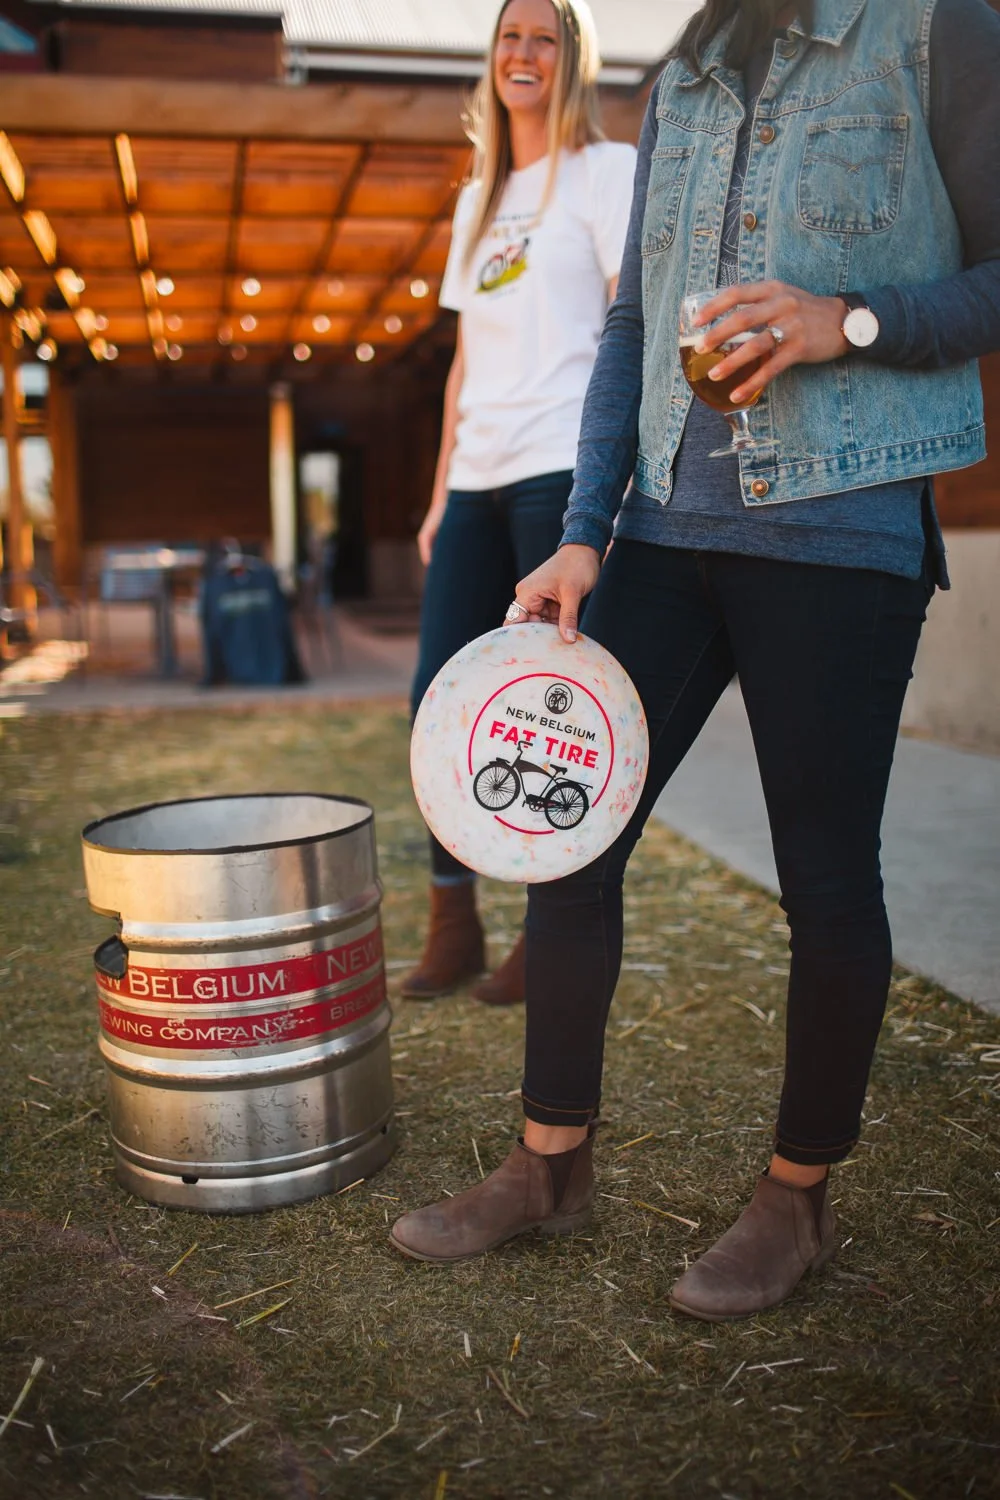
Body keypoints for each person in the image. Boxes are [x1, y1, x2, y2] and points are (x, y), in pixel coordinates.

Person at [391, 0, 1000, 1318]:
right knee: (573, 841)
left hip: (841, 525)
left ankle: (798, 1199)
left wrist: (848, 319)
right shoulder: (691, 66)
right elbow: (631, 325)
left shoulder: (940, 31)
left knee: (826, 879)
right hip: (664, 526)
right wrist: (582, 533)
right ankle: (550, 1162)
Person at [402, 0, 637, 1006]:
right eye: (508, 36)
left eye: (544, 36)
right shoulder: (478, 198)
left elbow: (628, 327)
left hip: (559, 473)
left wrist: (610, 491)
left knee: (547, 716)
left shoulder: (605, 172)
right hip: (476, 478)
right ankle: (450, 922)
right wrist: (435, 486)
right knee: (437, 704)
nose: (522, 52)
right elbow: (465, 361)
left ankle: (553, 931)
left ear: (573, 59)